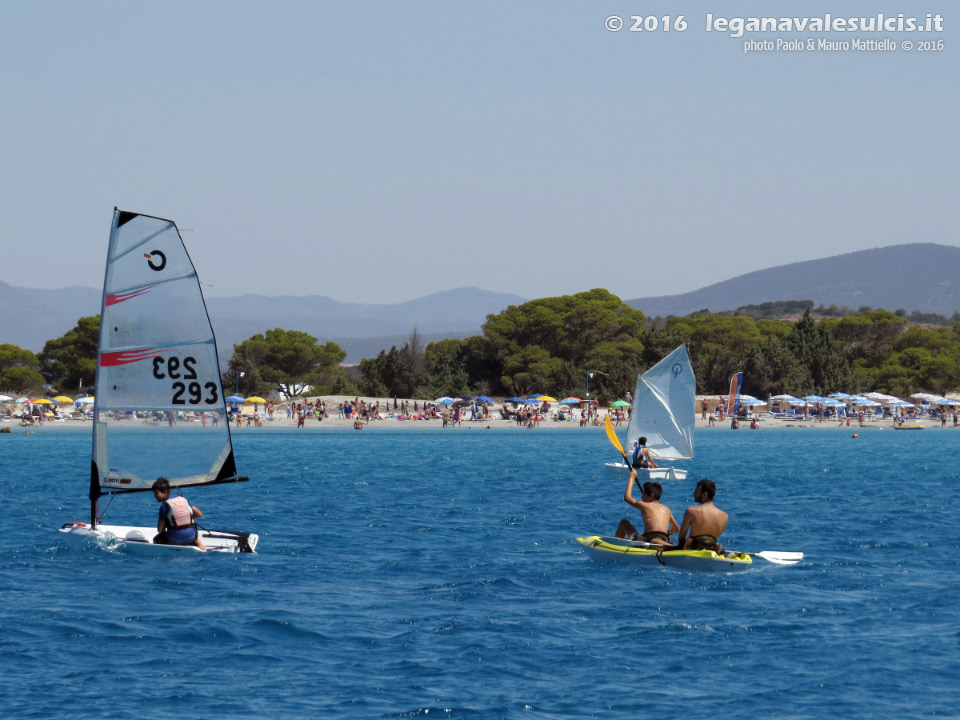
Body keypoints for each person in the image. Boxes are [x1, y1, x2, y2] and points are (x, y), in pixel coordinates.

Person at [615, 468, 679, 545]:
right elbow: (676, 529)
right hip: (664, 539)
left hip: (649, 540)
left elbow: (627, 498)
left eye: (644, 495)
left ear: (651, 496)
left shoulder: (644, 505)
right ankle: (664, 544)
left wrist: (632, 478)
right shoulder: (666, 509)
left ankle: (615, 547)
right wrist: (666, 532)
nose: (642, 498)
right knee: (648, 536)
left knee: (624, 523)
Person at [152, 477, 207, 551]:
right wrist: (183, 518)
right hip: (191, 536)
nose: (155, 496)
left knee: (157, 539)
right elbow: (199, 514)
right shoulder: (183, 499)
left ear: (165, 492)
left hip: (175, 539)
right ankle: (197, 542)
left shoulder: (164, 505)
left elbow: (160, 530)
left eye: (156, 493)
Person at [676, 479, 727, 554]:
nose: (694, 493)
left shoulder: (691, 511)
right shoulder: (724, 516)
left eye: (696, 491)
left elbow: (681, 538)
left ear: (704, 495)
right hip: (711, 551)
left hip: (693, 551)